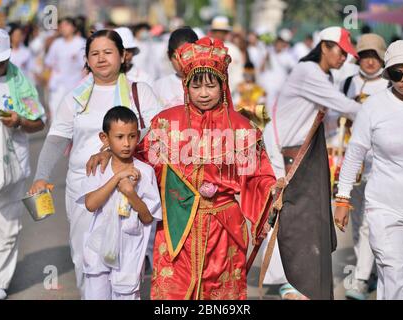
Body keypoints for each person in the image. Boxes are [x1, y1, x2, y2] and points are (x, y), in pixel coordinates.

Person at [86, 37, 277, 300]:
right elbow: (140, 157)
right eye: (196, 86)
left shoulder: (241, 127)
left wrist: (272, 190)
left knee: (220, 294)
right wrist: (109, 153)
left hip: (224, 227)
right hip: (177, 225)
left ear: (223, 85)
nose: (204, 93)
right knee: (175, 292)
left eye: (212, 85)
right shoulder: (167, 122)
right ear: (186, 86)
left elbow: (258, 176)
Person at [28, 29, 161, 296]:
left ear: (123, 56)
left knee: (125, 257)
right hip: (85, 186)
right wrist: (41, 175)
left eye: (108, 52)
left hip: (128, 184)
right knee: (85, 256)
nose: (101, 59)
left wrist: (112, 152)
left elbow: (159, 132)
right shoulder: (75, 96)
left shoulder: (140, 92)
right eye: (94, 54)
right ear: (87, 60)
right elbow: (56, 138)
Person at [264, 26, 362, 300]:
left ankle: (302, 285)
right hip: (284, 156)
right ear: (325, 47)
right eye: (341, 52)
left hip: (303, 154)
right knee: (290, 225)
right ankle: (291, 285)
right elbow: (343, 106)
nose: (344, 58)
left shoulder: (321, 74)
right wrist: (381, 112)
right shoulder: (308, 72)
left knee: (308, 227)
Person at [334, 40, 403, 300]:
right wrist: (342, 198)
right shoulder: (374, 107)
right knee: (395, 272)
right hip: (384, 205)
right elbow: (354, 154)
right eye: (397, 73)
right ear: (389, 75)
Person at [0, 27, 46, 300]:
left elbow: (38, 121)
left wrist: (19, 121)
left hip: (9, 161)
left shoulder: (20, 82)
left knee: (5, 223)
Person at [80, 106, 161, 300]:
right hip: (98, 249)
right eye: (119, 137)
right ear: (104, 138)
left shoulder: (145, 171)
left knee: (126, 293)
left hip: (130, 249)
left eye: (132, 136)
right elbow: (91, 204)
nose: (127, 143)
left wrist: (131, 194)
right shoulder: (99, 167)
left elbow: (148, 217)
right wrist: (117, 179)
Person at [336, 33, 389, 300]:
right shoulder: (347, 82)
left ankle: (363, 276)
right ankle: (367, 273)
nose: (369, 62)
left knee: (371, 221)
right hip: (351, 163)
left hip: (380, 164)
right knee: (357, 222)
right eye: (365, 56)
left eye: (375, 56)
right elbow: (335, 119)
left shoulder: (392, 85)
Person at [44, 17, 86, 122]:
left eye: (66, 25)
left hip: (75, 85)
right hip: (58, 86)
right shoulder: (56, 43)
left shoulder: (81, 43)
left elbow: (85, 67)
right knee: (56, 113)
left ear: (73, 27)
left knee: (74, 116)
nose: (63, 28)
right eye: (61, 26)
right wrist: (47, 82)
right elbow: (49, 64)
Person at [153, 26, 198, 110]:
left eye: (187, 56)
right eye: (176, 57)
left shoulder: (207, 83)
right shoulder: (159, 87)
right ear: (169, 56)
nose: (182, 62)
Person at [209, 16, 244, 96]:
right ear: (212, 32)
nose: (219, 34)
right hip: (209, 94)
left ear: (226, 33)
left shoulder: (233, 50)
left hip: (230, 93)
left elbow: (237, 72)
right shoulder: (205, 48)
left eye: (222, 31)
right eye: (216, 31)